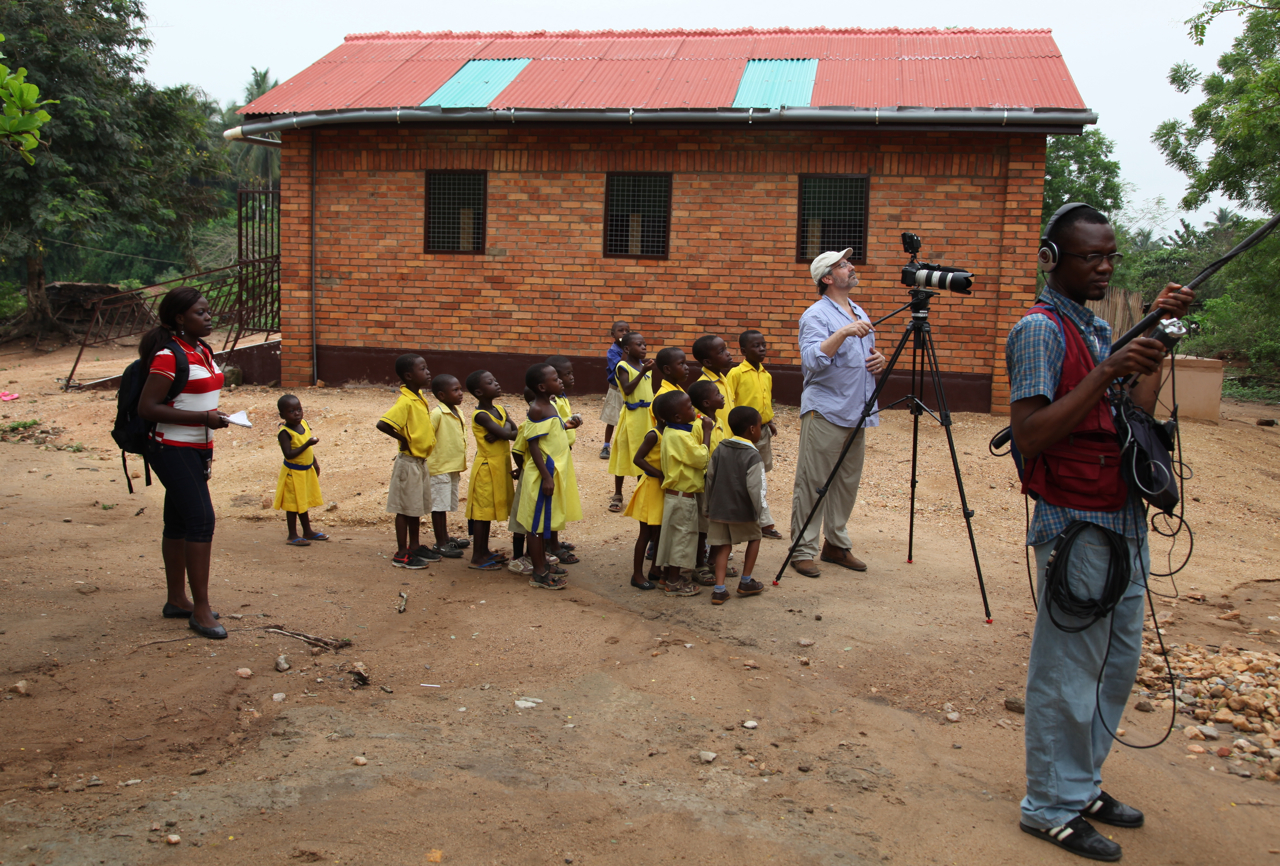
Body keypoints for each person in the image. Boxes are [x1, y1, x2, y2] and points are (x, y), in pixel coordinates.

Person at [1008, 203, 1193, 861]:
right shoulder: (1039, 330)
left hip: (1122, 516)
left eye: (1111, 254)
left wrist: (1158, 343)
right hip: (1074, 519)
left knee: (1114, 666)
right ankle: (1049, 807)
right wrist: (1106, 371)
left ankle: (1080, 786)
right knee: (1067, 671)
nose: (1105, 265)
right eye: (1091, 256)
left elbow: (1133, 414)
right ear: (1053, 260)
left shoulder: (1100, 326)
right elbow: (1029, 435)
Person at [136, 287, 229, 639]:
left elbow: (198, 393)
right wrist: (204, 417)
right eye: (200, 313)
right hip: (171, 448)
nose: (207, 317)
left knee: (177, 519)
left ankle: (177, 599)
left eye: (207, 312)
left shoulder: (201, 349)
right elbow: (148, 408)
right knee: (201, 520)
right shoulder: (167, 355)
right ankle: (200, 610)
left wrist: (210, 418)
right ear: (179, 318)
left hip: (198, 448)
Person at [789, 248, 886, 578]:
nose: (851, 267)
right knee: (813, 482)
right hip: (826, 410)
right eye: (843, 265)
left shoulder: (858, 310)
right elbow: (813, 359)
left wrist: (878, 360)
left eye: (848, 262)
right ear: (827, 278)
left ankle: (836, 545)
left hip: (856, 410)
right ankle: (802, 550)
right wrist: (843, 332)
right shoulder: (815, 316)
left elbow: (866, 356)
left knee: (846, 482)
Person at [515, 363, 582, 589]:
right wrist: (546, 477)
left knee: (544, 522)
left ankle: (542, 562)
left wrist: (567, 425)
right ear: (542, 386)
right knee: (535, 527)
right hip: (543, 474)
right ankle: (539, 573)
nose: (560, 380)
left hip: (553, 471)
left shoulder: (550, 405)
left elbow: (550, 431)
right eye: (555, 378)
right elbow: (533, 445)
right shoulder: (537, 409)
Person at [376, 354, 437, 570]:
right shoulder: (404, 401)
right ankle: (401, 553)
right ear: (409, 376)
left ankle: (415, 545)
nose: (428, 372)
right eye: (423, 368)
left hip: (419, 462)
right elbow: (383, 424)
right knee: (404, 508)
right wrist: (404, 439)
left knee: (415, 507)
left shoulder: (418, 396)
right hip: (408, 463)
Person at [653, 389, 714, 597]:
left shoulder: (672, 432)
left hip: (675, 496)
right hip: (683, 498)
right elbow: (701, 459)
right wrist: (707, 431)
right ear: (677, 416)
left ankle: (666, 577)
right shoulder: (679, 436)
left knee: (673, 538)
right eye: (689, 407)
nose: (694, 409)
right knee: (682, 540)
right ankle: (674, 582)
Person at [705, 406, 768, 605]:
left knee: (723, 546)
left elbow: (710, 478)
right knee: (755, 537)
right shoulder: (753, 456)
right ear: (751, 429)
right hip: (744, 510)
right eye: (760, 426)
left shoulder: (720, 448)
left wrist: (707, 506)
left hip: (719, 508)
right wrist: (764, 517)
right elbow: (756, 490)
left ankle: (719, 589)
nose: (760, 431)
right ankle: (746, 581)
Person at [726, 329, 781, 538]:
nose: (761, 349)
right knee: (742, 476)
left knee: (760, 476)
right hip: (742, 434)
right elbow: (729, 403)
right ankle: (759, 520)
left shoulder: (766, 374)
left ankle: (758, 517)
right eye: (756, 346)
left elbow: (765, 403)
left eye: (763, 345)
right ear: (743, 350)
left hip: (762, 432)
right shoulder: (736, 374)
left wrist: (770, 421)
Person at [464, 370, 517, 570]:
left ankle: (484, 551)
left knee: (488, 512)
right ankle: (477, 556)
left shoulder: (500, 410)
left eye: (495, 379)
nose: (496, 383)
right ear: (478, 391)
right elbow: (509, 432)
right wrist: (503, 432)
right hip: (486, 469)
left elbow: (515, 433)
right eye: (490, 382)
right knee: (482, 513)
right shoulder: (480, 415)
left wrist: (502, 434)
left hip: (499, 465)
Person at [607, 332, 654, 512]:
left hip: (646, 416)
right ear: (627, 348)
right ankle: (618, 493)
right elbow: (627, 389)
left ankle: (642, 492)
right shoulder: (623, 366)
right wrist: (643, 372)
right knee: (624, 452)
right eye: (639, 344)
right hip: (632, 417)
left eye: (645, 344)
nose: (644, 347)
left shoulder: (644, 366)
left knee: (644, 453)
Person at [273, 394, 327, 546]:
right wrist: (307, 445)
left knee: (302, 502)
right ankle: (292, 534)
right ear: (282, 415)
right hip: (292, 473)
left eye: (299, 409)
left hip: (305, 470)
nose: (297, 414)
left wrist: (314, 463)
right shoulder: (285, 432)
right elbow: (289, 455)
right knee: (292, 505)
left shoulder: (303, 423)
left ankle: (307, 531)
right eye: (291, 411)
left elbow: (308, 451)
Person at [428, 374, 470, 559]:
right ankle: (440, 543)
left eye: (460, 389)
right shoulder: (437, 414)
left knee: (445, 503)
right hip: (439, 467)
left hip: (452, 466)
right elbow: (428, 437)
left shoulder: (457, 411)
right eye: (455, 390)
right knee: (438, 506)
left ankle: (445, 537)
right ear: (441, 395)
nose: (460, 393)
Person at [546, 355, 583, 565]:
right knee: (554, 501)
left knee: (560, 501)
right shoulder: (549, 401)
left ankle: (554, 541)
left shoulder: (560, 397)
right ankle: (551, 545)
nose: (570, 378)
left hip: (563, 454)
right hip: (554, 458)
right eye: (565, 374)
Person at [623, 410, 665, 591]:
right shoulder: (653, 435)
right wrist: (658, 473)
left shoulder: (672, 433)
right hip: (651, 488)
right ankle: (637, 575)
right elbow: (637, 459)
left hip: (662, 488)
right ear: (664, 416)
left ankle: (655, 569)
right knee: (646, 534)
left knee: (660, 532)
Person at [599, 320, 630, 460]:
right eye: (621, 330)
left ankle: (627, 446)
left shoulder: (633, 348)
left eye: (627, 331)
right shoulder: (612, 351)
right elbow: (620, 367)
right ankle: (606, 445)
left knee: (629, 418)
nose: (624, 333)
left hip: (629, 389)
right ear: (613, 334)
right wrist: (626, 350)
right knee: (611, 418)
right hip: (615, 389)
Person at [692, 334, 735, 431]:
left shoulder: (723, 379)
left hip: (728, 439)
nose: (728, 353)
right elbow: (696, 415)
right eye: (721, 352)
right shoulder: (703, 386)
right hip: (714, 441)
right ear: (708, 362)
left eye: (725, 349)